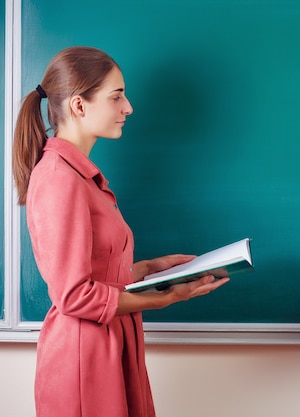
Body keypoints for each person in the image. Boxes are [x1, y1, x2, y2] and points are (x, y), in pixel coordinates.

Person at [12, 46, 230, 417]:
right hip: (87, 356)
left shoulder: (81, 177)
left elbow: (95, 271)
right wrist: (164, 298)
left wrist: (147, 269)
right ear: (80, 106)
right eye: (116, 97)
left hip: (109, 343)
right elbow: (75, 295)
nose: (128, 108)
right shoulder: (59, 180)